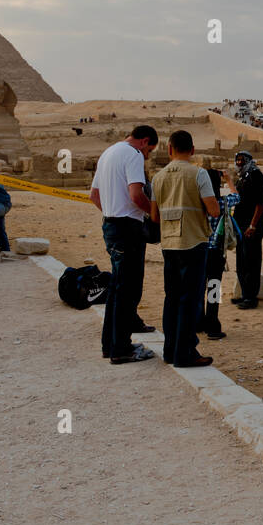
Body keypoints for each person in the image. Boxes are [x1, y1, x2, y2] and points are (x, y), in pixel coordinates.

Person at [90, 125, 158, 363]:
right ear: (145, 141)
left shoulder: (108, 152)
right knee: (128, 291)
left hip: (111, 226)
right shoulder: (133, 154)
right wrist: (154, 215)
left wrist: (112, 212)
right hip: (128, 229)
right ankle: (122, 349)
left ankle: (110, 345)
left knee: (117, 289)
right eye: (150, 151)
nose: (147, 156)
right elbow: (136, 195)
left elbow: (94, 195)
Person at [152, 130, 220, 368]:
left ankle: (170, 350)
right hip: (193, 242)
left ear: (169, 149)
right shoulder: (199, 174)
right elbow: (213, 210)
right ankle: (186, 353)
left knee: (171, 298)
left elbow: (153, 215)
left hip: (169, 244)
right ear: (192, 150)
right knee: (189, 301)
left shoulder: (158, 177)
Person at [201, 165, 234, 341]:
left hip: (199, 250)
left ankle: (198, 321)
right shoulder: (223, 202)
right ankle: (212, 324)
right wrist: (228, 180)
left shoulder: (198, 202)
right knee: (214, 287)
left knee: (199, 287)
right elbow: (237, 196)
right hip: (216, 252)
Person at [231, 151, 263, 309]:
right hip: (240, 225)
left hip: (251, 227)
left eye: (241, 160)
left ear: (248, 160)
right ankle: (244, 294)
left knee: (251, 260)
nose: (239, 162)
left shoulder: (256, 175)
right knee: (241, 261)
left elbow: (260, 203)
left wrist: (252, 225)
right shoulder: (242, 176)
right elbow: (238, 198)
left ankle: (251, 298)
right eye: (237, 160)